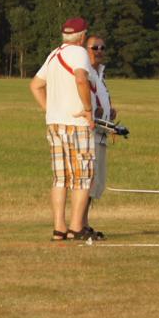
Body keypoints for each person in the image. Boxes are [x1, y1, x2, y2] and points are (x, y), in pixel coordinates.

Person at [28, 16, 96, 241]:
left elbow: (36, 85)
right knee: (82, 176)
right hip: (76, 124)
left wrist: (51, 110)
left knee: (60, 178)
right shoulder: (79, 53)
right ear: (82, 36)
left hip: (55, 124)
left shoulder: (53, 54)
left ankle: (59, 228)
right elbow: (81, 79)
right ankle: (76, 227)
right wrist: (88, 109)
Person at [80, 33, 115, 240]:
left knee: (95, 183)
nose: (99, 51)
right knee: (88, 181)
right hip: (89, 133)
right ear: (86, 51)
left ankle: (84, 223)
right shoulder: (86, 73)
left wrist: (110, 112)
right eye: (95, 48)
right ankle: (80, 225)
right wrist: (96, 112)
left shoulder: (100, 73)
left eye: (102, 48)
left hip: (102, 134)